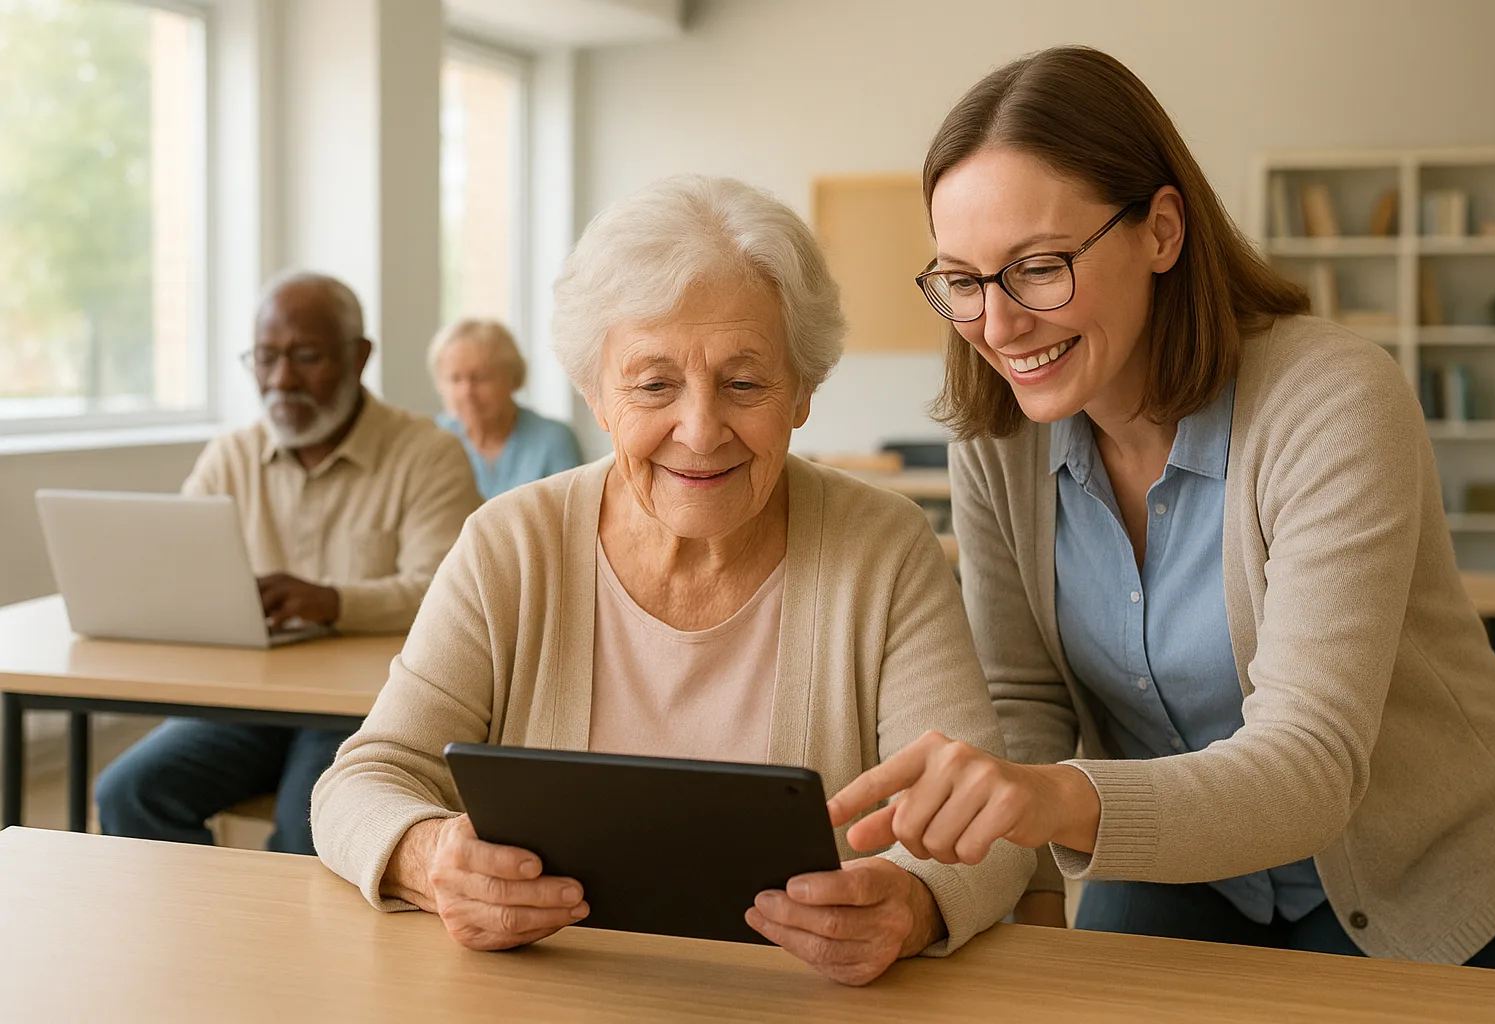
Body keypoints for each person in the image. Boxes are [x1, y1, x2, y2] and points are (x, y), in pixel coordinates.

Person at [829, 46, 1495, 971]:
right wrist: (940, 891)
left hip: (1412, 870)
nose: (998, 329)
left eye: (1038, 268)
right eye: (962, 281)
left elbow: (1311, 763)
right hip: (1174, 864)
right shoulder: (997, 436)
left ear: (1162, 230)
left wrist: (1053, 798)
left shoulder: (1332, 401)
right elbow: (1022, 706)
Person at [311, 175, 1029, 986]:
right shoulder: (510, 544)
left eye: (745, 382)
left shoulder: (883, 548)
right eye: (654, 384)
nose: (699, 429)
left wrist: (914, 898)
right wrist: (426, 852)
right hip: (548, 996)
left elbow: (988, 824)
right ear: (597, 395)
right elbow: (359, 782)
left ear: (803, 392)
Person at [95, 271, 482, 856]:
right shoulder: (230, 457)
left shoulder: (427, 455)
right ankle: (206, 937)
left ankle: (285, 947)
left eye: (305, 357)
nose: (280, 379)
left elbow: (447, 595)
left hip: (362, 706)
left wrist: (333, 602)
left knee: (313, 828)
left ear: (358, 358)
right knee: (129, 792)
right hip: (245, 703)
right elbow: (178, 569)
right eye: (265, 357)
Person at [429, 318, 584, 498]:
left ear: (512, 378)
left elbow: (572, 517)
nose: (467, 392)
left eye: (480, 378)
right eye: (455, 379)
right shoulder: (433, 441)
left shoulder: (553, 441)